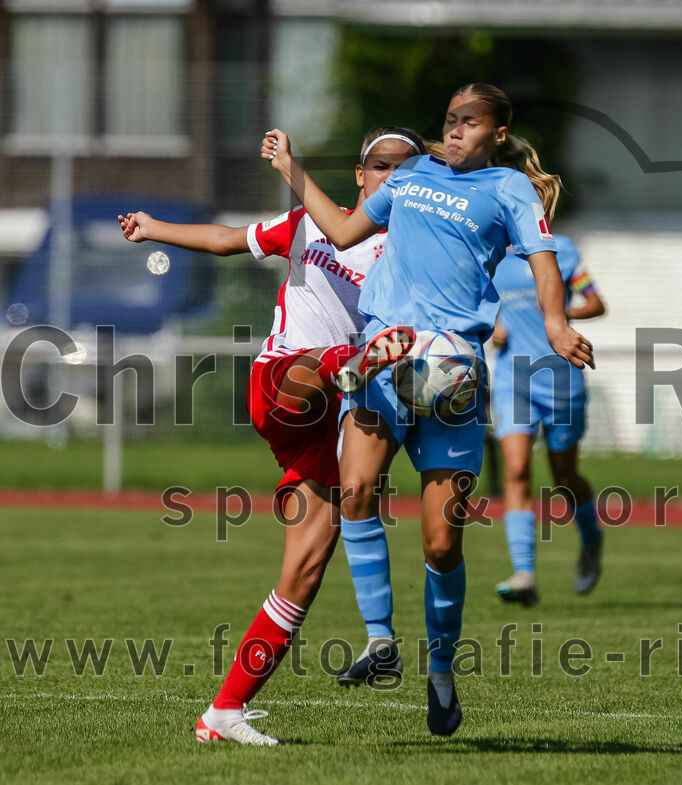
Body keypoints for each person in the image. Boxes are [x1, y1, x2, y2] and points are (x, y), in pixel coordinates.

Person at [262, 82, 594, 735]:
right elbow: (343, 227)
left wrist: (556, 325)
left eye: (471, 122)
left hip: (453, 374)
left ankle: (441, 670)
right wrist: (292, 170)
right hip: (386, 358)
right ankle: (380, 640)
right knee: (354, 489)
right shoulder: (411, 176)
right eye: (451, 120)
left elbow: (545, 261)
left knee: (442, 543)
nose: (457, 130)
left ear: (498, 133)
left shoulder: (509, 190)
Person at [118, 127, 427, 745]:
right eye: (382, 166)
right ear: (361, 177)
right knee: (323, 365)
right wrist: (155, 229)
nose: (394, 177)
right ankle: (350, 359)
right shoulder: (311, 223)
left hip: (333, 418)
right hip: (285, 382)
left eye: (408, 169)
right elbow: (230, 239)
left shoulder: (414, 256)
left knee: (304, 572)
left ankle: (223, 714)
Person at [489, 234, 606, 606]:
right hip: (513, 378)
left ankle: (591, 539)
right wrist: (491, 326)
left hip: (559, 378)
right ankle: (524, 573)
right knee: (517, 468)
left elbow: (596, 302)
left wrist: (559, 315)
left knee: (564, 478)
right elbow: (477, 301)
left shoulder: (564, 251)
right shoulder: (490, 250)